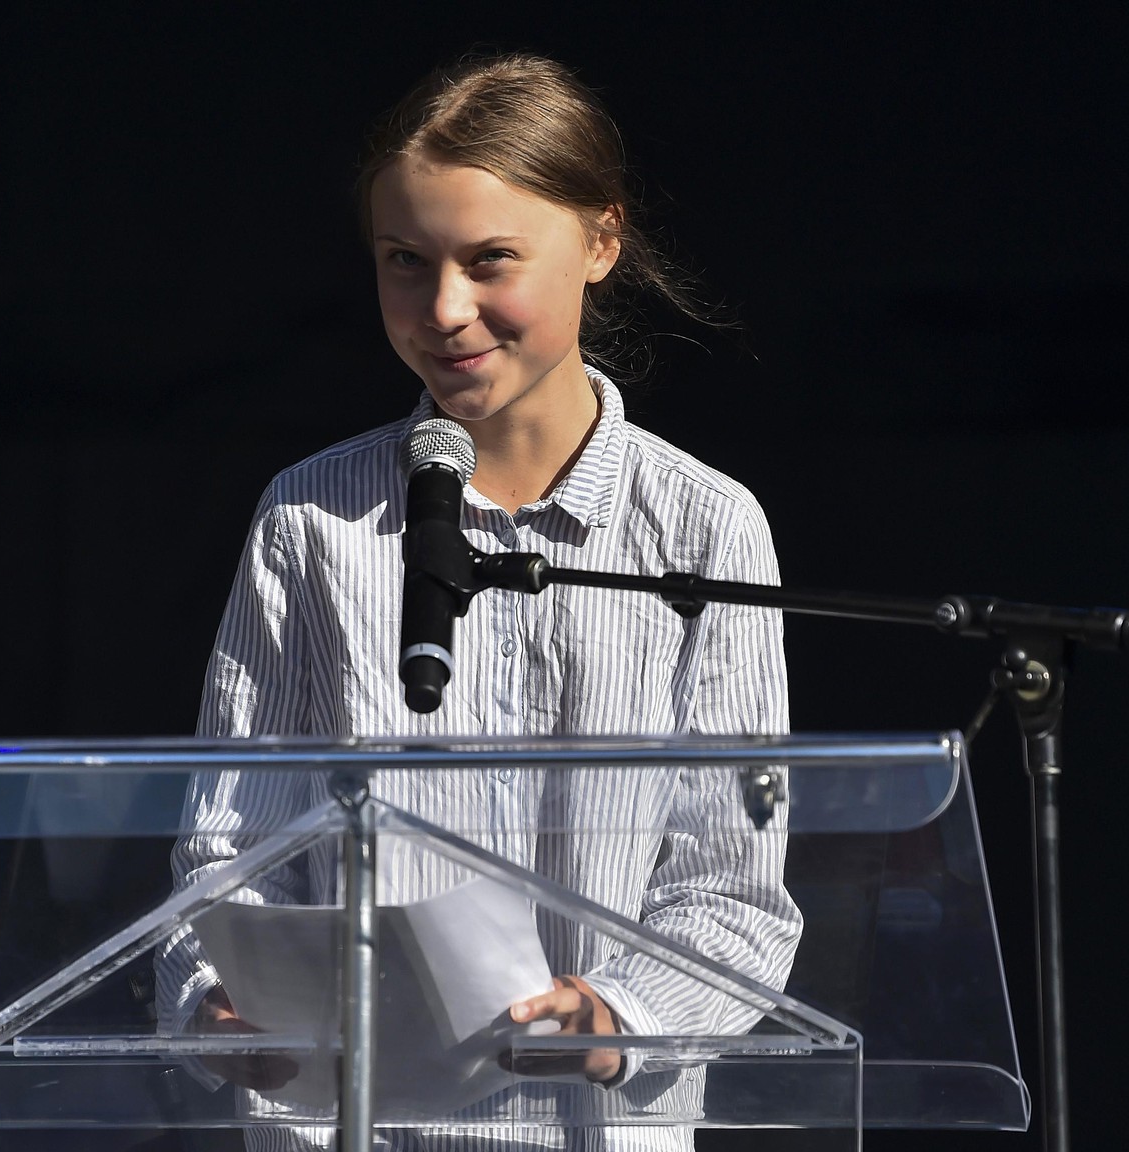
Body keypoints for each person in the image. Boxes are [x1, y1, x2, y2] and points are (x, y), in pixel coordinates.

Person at [156, 52, 801, 1152]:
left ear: (602, 241)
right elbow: (230, 851)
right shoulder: (312, 521)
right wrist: (219, 996)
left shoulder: (704, 526)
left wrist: (615, 1019)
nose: (445, 309)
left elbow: (732, 891)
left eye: (490, 260)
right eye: (404, 262)